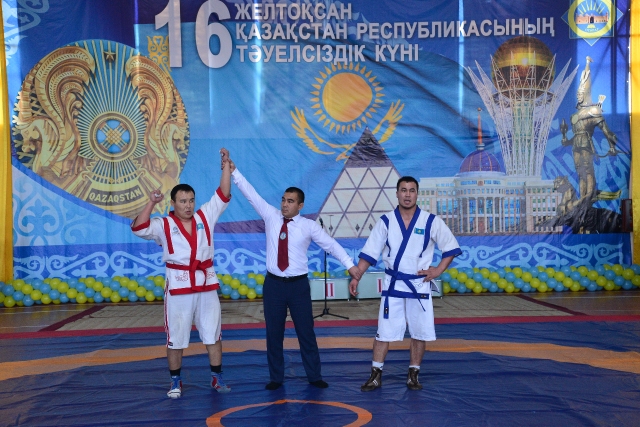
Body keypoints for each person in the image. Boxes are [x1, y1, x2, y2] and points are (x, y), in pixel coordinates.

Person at [226, 153, 362, 390]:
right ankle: (276, 378)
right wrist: (234, 171)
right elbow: (251, 194)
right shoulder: (270, 215)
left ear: (300, 206)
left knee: (306, 333)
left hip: (298, 286)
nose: (284, 204)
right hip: (274, 285)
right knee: (274, 334)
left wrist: (351, 266)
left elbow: (331, 245)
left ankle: (314, 376)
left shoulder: (308, 226)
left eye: (290, 201)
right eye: (283, 200)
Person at [131, 150, 232, 399]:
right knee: (176, 336)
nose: (188, 205)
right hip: (178, 285)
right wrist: (151, 202)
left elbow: (223, 194)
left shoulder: (205, 216)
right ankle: (175, 381)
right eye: (183, 201)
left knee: (213, 333)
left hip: (206, 284)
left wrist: (226, 168)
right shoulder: (163, 225)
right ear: (173, 203)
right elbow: (138, 227)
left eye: (191, 201)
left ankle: (217, 377)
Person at [349, 176, 462, 391]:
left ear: (417, 194)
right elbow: (370, 252)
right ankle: (375, 375)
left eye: (411, 190)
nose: (407, 194)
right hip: (393, 285)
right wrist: (357, 276)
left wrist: (438, 270)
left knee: (419, 332)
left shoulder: (430, 221)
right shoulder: (386, 221)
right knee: (384, 331)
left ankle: (413, 374)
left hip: (419, 284)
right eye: (403, 190)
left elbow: (450, 247)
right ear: (397, 193)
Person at [560, 56, 618, 209]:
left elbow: (605, 130)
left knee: (588, 170)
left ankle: (589, 196)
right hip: (576, 144)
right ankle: (583, 200)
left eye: (581, 93)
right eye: (578, 94)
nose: (579, 95)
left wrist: (612, 145)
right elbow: (575, 136)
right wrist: (567, 141)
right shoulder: (574, 116)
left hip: (586, 143)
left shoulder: (593, 111)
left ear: (586, 94)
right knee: (580, 173)